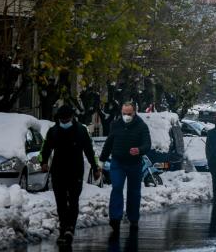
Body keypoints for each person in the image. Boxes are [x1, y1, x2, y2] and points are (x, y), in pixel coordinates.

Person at [40, 105, 101, 245]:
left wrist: (95, 167)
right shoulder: (53, 131)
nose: (65, 121)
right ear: (59, 118)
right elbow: (46, 148)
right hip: (58, 171)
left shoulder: (81, 131)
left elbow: (89, 150)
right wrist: (43, 162)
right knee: (61, 202)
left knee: (73, 201)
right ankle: (63, 228)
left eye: (67, 118)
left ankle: (70, 228)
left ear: (72, 117)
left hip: (75, 171)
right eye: (62, 119)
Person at [100, 102, 152, 233]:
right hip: (118, 162)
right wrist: (101, 160)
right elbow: (109, 142)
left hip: (134, 163)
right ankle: (115, 219)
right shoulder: (116, 125)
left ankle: (133, 218)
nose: (126, 116)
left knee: (134, 191)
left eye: (129, 114)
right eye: (124, 114)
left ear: (134, 113)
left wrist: (139, 150)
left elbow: (147, 144)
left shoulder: (142, 126)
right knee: (116, 188)